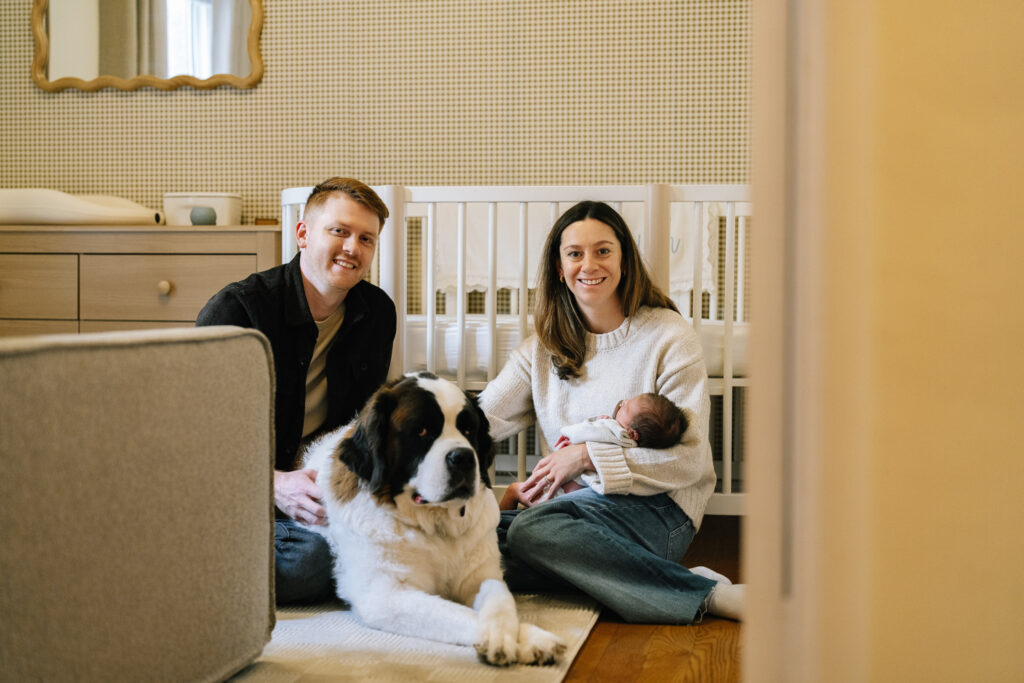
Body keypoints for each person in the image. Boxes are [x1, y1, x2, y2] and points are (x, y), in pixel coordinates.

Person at [479, 200, 744, 623]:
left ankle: (705, 594)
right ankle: (626, 575)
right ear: (558, 266)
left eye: (603, 250)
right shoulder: (541, 350)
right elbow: (476, 422)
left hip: (658, 511)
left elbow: (689, 461)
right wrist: (495, 502)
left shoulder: (668, 335)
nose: (589, 264)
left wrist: (585, 456)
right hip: (568, 515)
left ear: (624, 258)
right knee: (471, 539)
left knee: (529, 533)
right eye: (575, 253)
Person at [196, 177, 396, 604]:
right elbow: (195, 438)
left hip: (314, 485)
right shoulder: (239, 310)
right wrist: (271, 484)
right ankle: (187, 559)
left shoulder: (377, 313)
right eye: (339, 231)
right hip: (234, 486)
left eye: (366, 239)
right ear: (303, 235)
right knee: (310, 564)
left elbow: (360, 423)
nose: (352, 248)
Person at [499, 392, 689, 510]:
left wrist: (592, 423)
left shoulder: (612, 429)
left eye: (627, 407)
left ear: (632, 433)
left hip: (565, 492)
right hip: (587, 493)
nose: (623, 402)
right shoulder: (633, 446)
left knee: (517, 492)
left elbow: (578, 432)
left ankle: (501, 521)